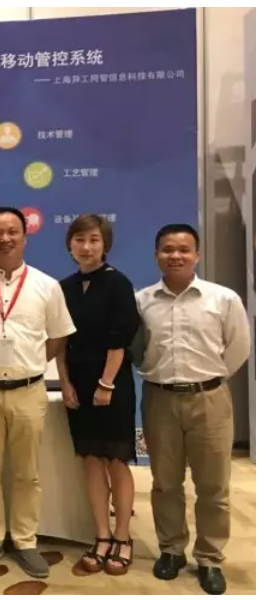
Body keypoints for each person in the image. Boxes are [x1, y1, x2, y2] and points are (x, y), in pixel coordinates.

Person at [0, 207, 76, 578]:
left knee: (27, 474)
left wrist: (29, 363)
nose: (5, 238)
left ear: (25, 236)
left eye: (12, 231)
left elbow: (57, 337)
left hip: (28, 391)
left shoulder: (46, 285)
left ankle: (24, 540)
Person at [134, 224, 250, 595]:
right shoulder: (142, 301)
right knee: (165, 482)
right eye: (167, 249)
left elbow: (239, 347)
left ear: (197, 255)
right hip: (160, 399)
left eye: (184, 249)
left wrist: (208, 380)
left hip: (209, 400)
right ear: (156, 255)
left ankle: (210, 558)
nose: (176, 256)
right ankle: (171, 550)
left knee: (213, 485)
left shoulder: (223, 299)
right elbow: (135, 349)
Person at [56, 214, 141, 575]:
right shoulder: (64, 287)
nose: (86, 247)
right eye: (79, 240)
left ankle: (122, 537)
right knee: (90, 459)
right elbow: (60, 342)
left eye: (93, 240)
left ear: (105, 244)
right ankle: (101, 535)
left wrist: (106, 384)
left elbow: (119, 339)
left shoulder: (118, 283)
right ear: (70, 245)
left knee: (116, 460)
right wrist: (65, 383)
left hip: (112, 385)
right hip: (78, 384)